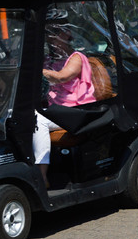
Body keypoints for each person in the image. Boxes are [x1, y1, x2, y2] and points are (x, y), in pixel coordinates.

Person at [33, 11, 96, 187]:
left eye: (55, 32)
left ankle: (42, 175)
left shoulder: (76, 58)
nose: (51, 38)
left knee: (38, 120)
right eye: (48, 33)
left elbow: (62, 77)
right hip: (54, 110)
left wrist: (35, 69)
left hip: (74, 112)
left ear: (67, 33)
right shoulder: (49, 59)